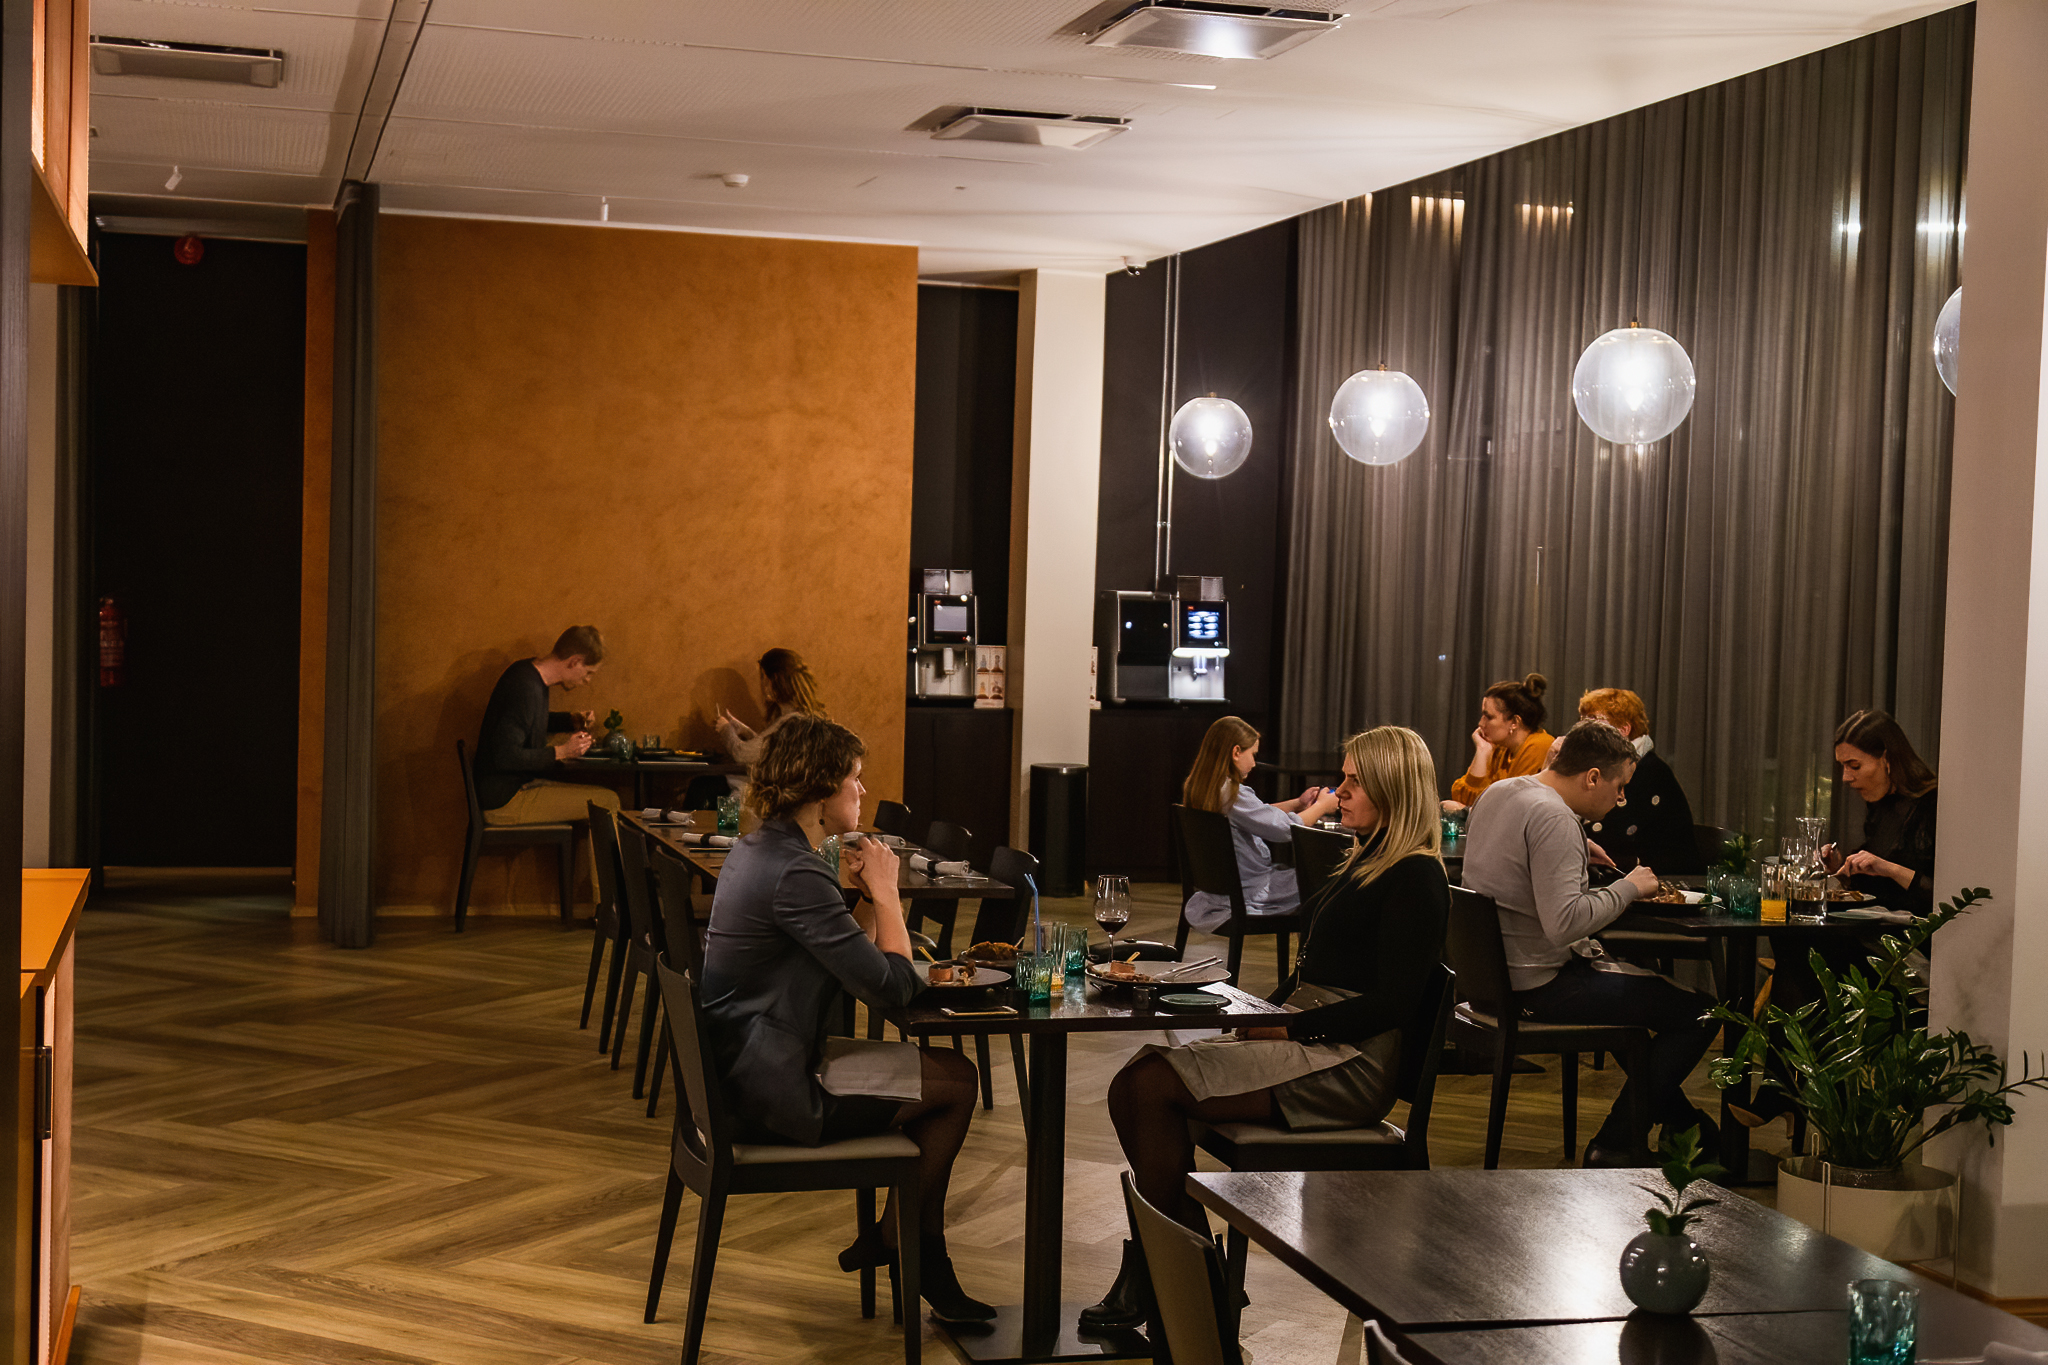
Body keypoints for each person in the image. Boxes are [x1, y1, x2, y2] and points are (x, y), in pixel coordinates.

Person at [1082, 726, 1451, 1331]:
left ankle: (1163, 1273)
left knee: (1147, 1086)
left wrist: (1293, 1028)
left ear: (1393, 788)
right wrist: (1259, 1015)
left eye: (1355, 782)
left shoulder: (1415, 875)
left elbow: (1395, 1003)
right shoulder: (1367, 857)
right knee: (1138, 1079)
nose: (1340, 791)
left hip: (1348, 1061)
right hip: (1314, 1033)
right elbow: (1313, 969)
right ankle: (1183, 1270)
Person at [697, 713, 992, 1323]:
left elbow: (849, 960)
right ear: (821, 788)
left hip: (740, 1066)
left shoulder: (762, 849)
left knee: (946, 1076)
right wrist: (887, 894)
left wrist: (859, 899)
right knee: (959, 1082)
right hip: (770, 1088)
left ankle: (902, 1241)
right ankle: (909, 1246)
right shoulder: (795, 871)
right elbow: (893, 989)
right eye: (854, 778)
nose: (862, 789)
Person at [1460, 719, 1719, 1167]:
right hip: (1537, 987)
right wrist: (1629, 888)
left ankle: (1683, 1124)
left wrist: (1576, 841)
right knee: (1703, 1012)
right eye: (1620, 787)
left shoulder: (1500, 792)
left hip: (1488, 983)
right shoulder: (1554, 817)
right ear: (1593, 777)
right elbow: (1565, 925)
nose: (1621, 800)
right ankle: (1614, 1145)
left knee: (1633, 1008)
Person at [1180, 717, 1339, 933]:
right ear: (1236, 752)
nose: (1254, 764)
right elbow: (1284, 830)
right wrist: (1322, 806)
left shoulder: (1204, 787)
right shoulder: (1232, 793)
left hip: (1222, 893)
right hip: (1249, 892)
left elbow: (1258, 814)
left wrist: (1299, 803)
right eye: (1253, 755)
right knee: (1327, 880)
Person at [474, 625, 619, 825]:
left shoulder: (526, 673)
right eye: (588, 673)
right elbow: (505, 756)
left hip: (510, 789)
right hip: (505, 800)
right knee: (607, 801)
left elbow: (528, 720)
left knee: (601, 797)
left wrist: (571, 720)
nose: (587, 681)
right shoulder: (526, 688)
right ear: (575, 661)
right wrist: (562, 751)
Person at [1821, 709, 1938, 915]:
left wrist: (1890, 869)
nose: (1845, 777)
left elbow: (1943, 895)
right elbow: (1877, 889)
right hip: (1879, 923)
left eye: (1854, 766)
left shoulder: (1934, 805)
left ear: (1887, 759)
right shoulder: (1881, 806)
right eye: (1843, 767)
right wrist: (1839, 868)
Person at [1578, 687, 1703, 874]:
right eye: (1582, 721)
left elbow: (1612, 836)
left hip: (1662, 879)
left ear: (1623, 730)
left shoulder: (1648, 772)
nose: (1582, 730)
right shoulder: (1615, 767)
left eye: (1593, 720)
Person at [1444, 672, 1555, 812]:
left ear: (1514, 722)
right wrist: (1482, 750)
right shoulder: (1501, 747)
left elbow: (1510, 807)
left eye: (1488, 717)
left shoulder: (1539, 745)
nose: (1480, 723)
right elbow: (1462, 797)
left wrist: (1464, 811)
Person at [716, 647, 827, 765]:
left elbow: (742, 754)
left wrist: (725, 729)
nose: (763, 685)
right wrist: (747, 732)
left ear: (775, 680)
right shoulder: (804, 718)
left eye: (763, 677)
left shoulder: (790, 724)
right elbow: (771, 747)